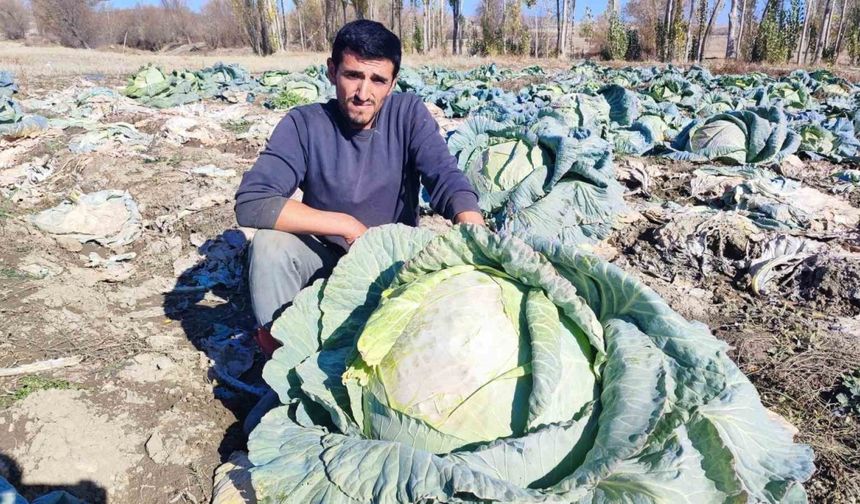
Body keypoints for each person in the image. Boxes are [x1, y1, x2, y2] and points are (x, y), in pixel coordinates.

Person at [234, 20, 484, 367]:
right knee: (269, 246)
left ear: (392, 83)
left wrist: (474, 232)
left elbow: (446, 177)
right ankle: (284, 359)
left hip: (393, 272)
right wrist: (346, 226)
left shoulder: (407, 115)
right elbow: (252, 202)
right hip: (325, 264)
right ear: (331, 71)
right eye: (353, 75)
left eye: (377, 80)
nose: (363, 93)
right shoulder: (305, 124)